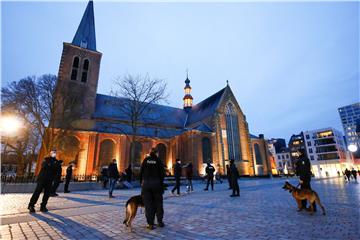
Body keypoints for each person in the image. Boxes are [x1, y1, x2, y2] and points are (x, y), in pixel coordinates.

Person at [140, 148, 165, 230]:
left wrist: (142, 182)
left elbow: (141, 172)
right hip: (156, 185)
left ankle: (150, 224)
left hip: (146, 185)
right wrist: (161, 183)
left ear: (150, 153)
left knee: (148, 205)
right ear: (156, 153)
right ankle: (160, 222)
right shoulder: (158, 161)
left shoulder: (145, 160)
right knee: (158, 203)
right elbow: (162, 173)